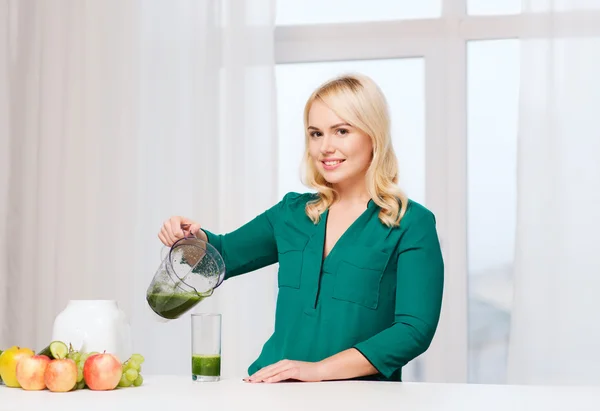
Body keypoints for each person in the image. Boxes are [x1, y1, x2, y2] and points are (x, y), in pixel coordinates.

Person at [158, 73, 444, 383]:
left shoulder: (411, 223)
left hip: (361, 399)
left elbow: (413, 330)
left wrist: (319, 371)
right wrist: (191, 238)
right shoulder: (292, 213)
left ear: (373, 135)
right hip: (274, 392)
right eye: (316, 133)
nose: (325, 147)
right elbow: (222, 255)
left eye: (342, 131)